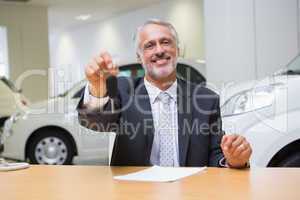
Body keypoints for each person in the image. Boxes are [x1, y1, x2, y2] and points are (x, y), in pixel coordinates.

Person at [77, 19, 252, 168]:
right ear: (139, 57)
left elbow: (216, 156)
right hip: (135, 192)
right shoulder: (123, 91)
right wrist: (97, 87)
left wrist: (234, 160)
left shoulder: (206, 100)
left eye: (166, 42)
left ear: (178, 50)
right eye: (149, 45)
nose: (159, 50)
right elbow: (95, 122)